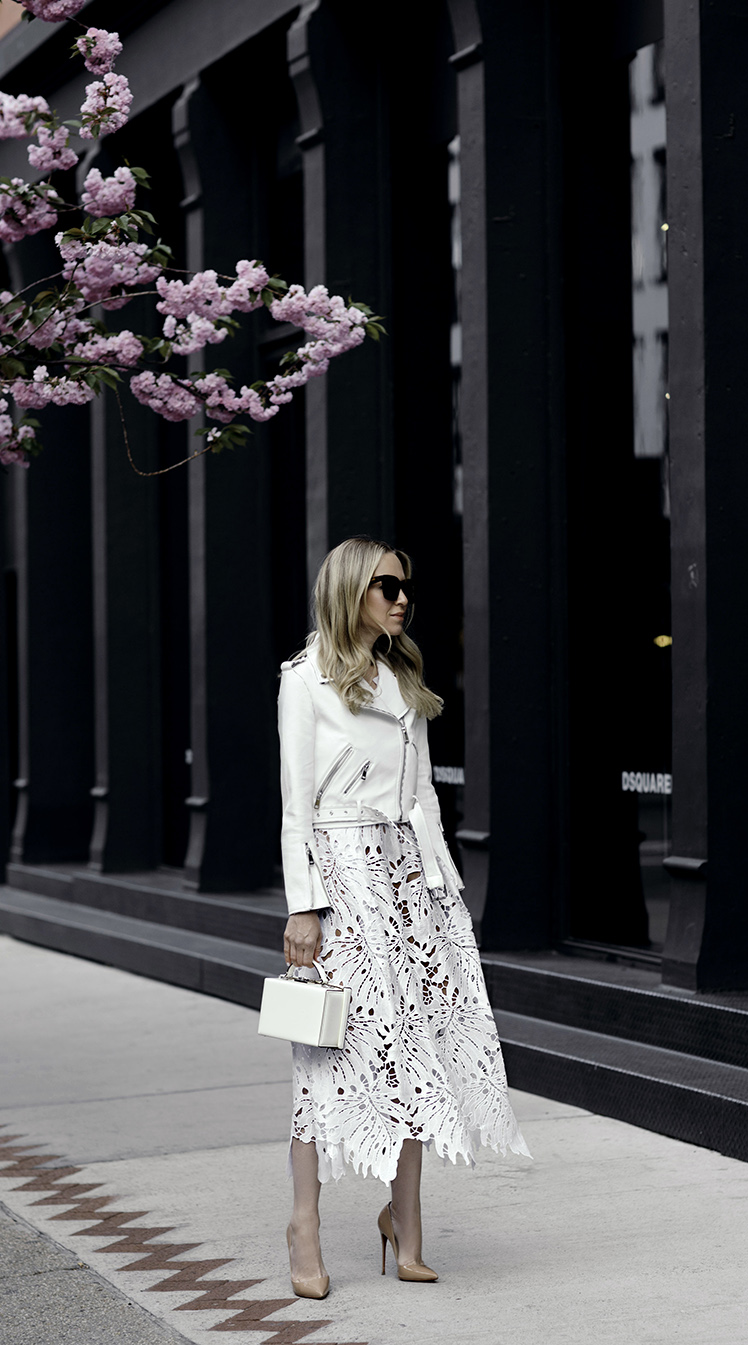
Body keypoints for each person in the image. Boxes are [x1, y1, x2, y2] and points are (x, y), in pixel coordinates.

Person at [278, 536, 530, 1299]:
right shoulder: (306, 678)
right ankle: (304, 1224)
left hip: (410, 880)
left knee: (417, 1046)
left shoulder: (400, 677)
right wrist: (303, 906)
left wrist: (443, 893)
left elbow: (421, 798)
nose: (399, 598)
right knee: (329, 1054)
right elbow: (296, 804)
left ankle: (406, 1223)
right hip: (343, 874)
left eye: (404, 587)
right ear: (351, 589)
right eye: (385, 585)